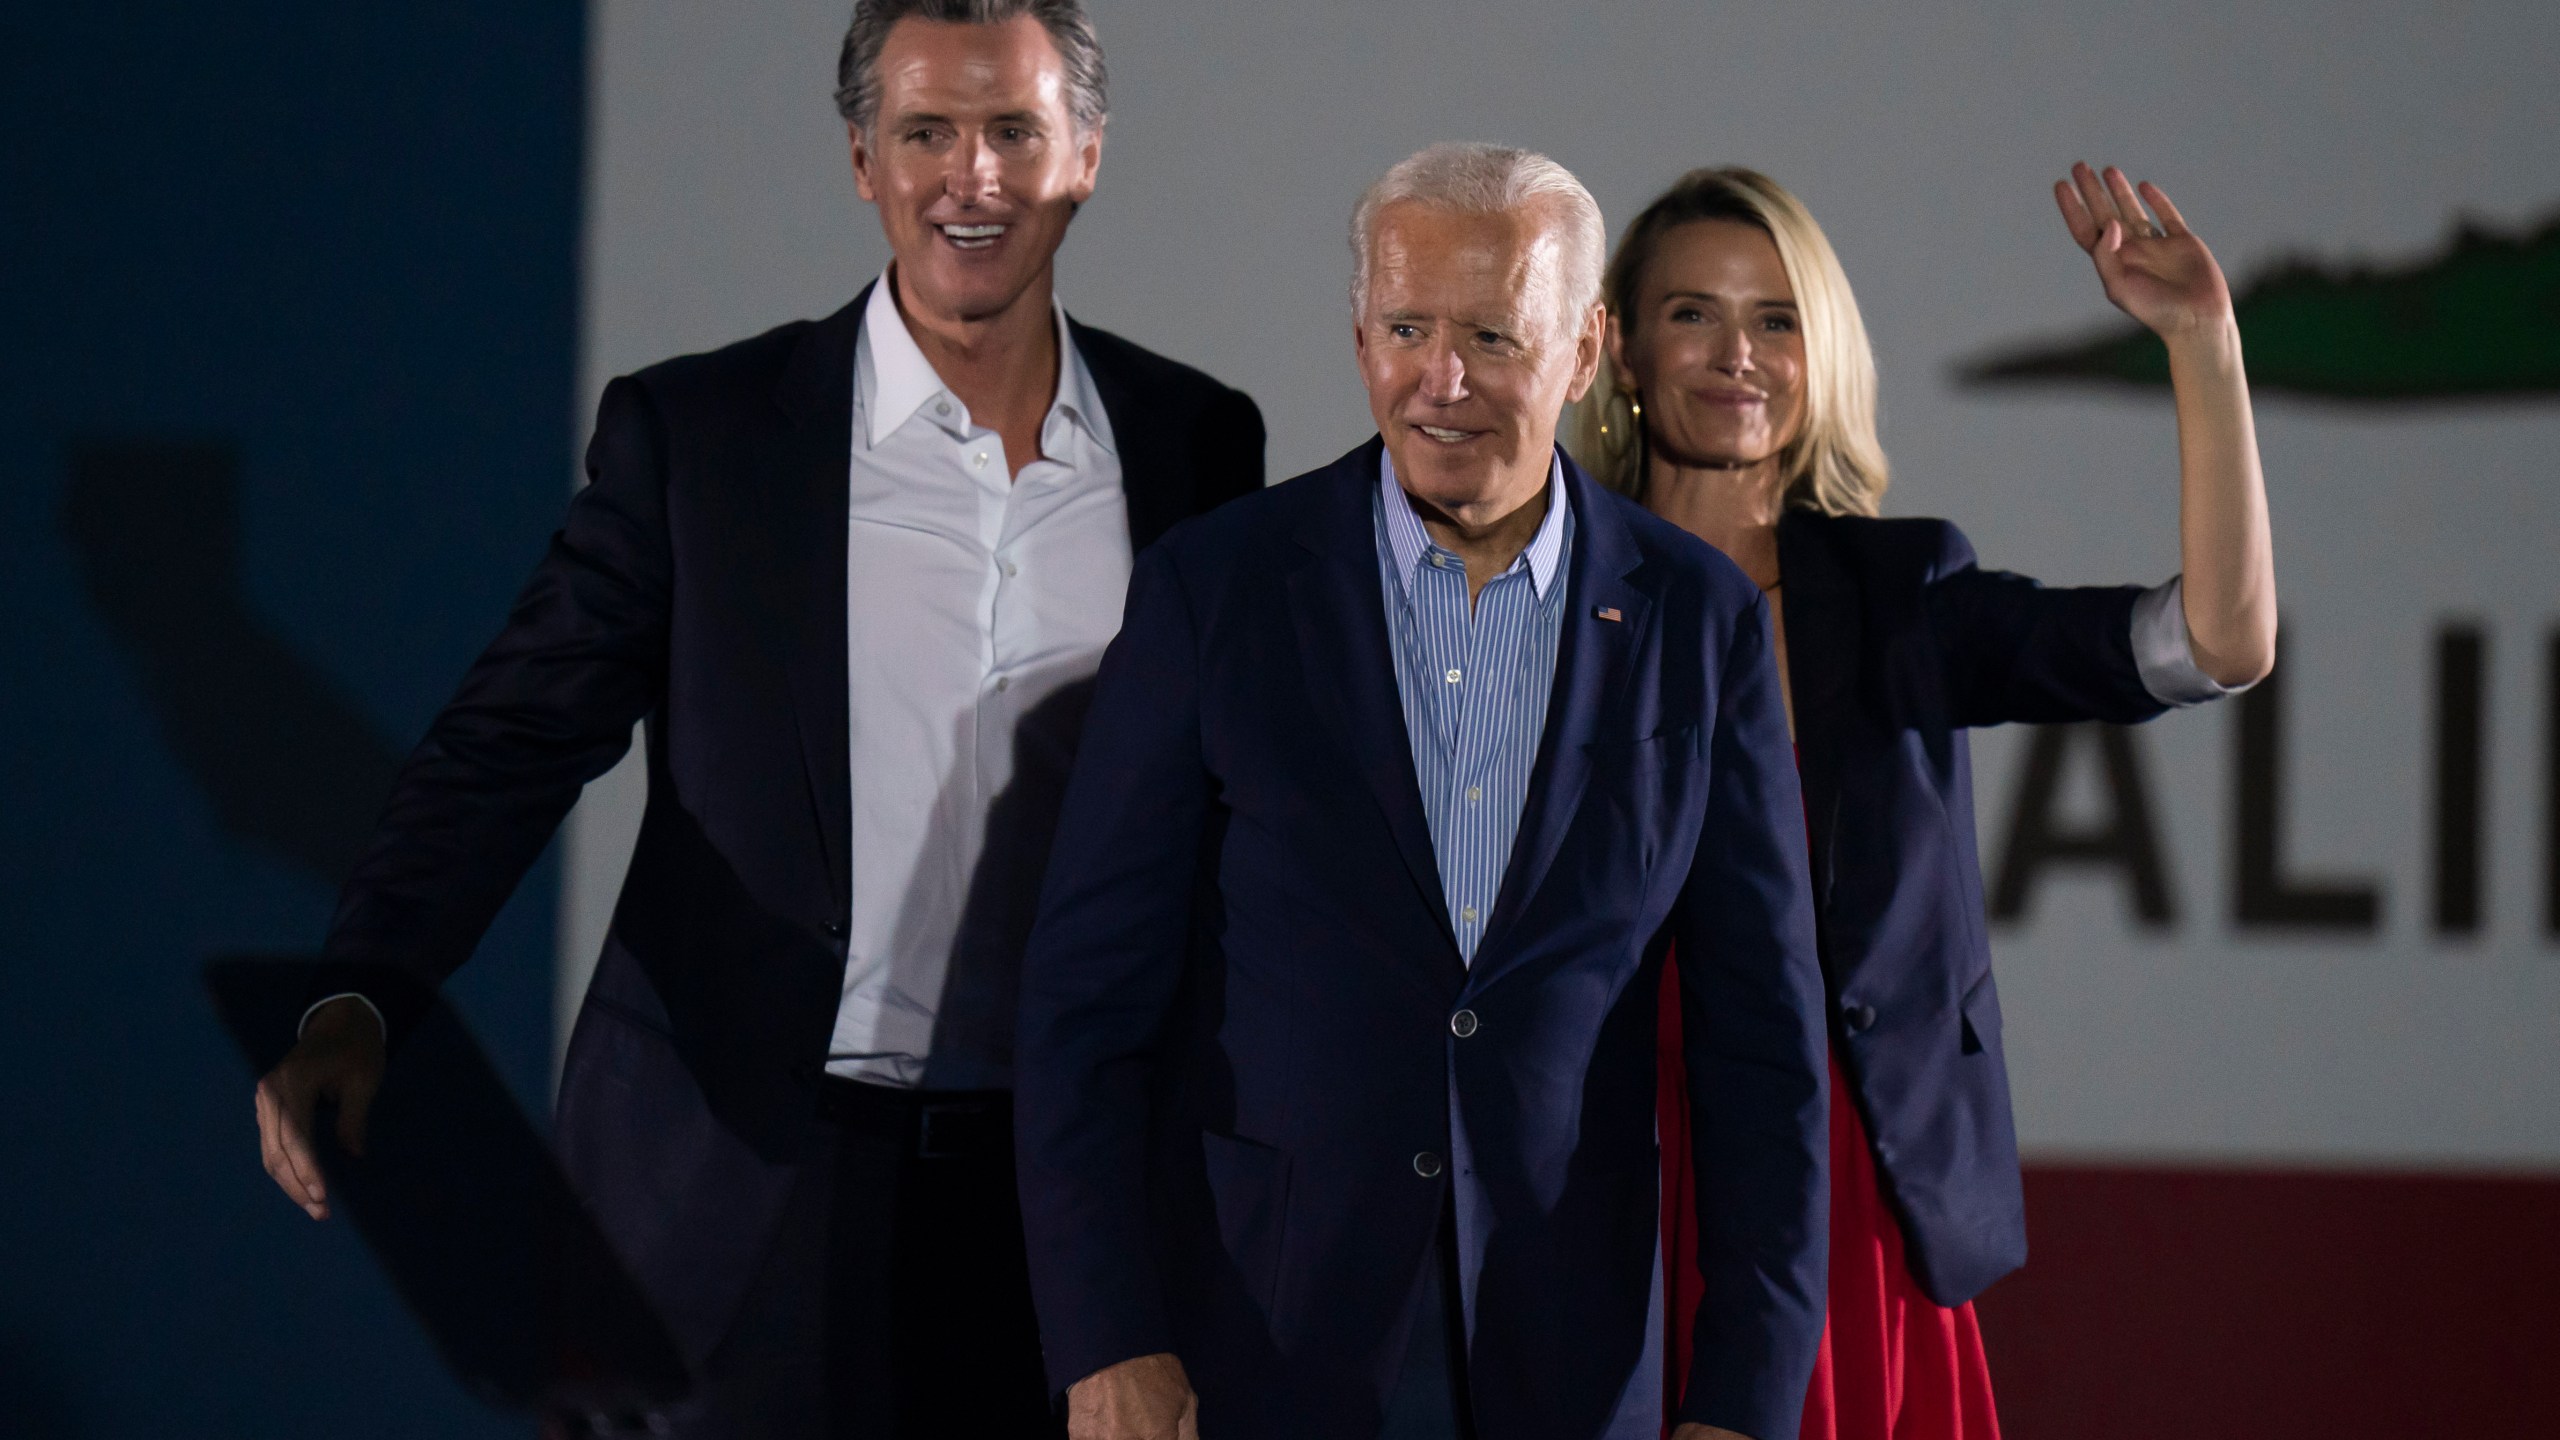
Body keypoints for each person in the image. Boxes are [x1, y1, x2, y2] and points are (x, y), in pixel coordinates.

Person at [248, 1, 1265, 1434]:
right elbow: (513, 741)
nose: (970, 177)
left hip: (1062, 1217)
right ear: (862, 158)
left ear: (1085, 154)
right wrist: (363, 993)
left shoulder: (1197, 445)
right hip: (739, 1200)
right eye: (926, 132)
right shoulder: (705, 442)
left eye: (1013, 131)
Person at [1013, 142, 1830, 1440]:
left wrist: (1744, 1398)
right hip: (1260, 1344)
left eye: (1494, 337)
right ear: (1358, 337)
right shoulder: (1215, 591)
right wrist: (1109, 1338)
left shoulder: (1697, 623)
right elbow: (1082, 1005)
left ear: (1585, 351)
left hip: (1566, 1349)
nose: (1439, 382)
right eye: (1405, 328)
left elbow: (1764, 1051)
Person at [1571, 165, 2275, 1439]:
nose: (1739, 354)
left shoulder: (1899, 594)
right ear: (1616, 345)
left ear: (1820, 352)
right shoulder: (1542, 594)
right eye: (1694, 313)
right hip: (1595, 1181)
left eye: (1778, 319)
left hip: (1839, 1185)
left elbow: (2213, 644)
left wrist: (2203, 348)